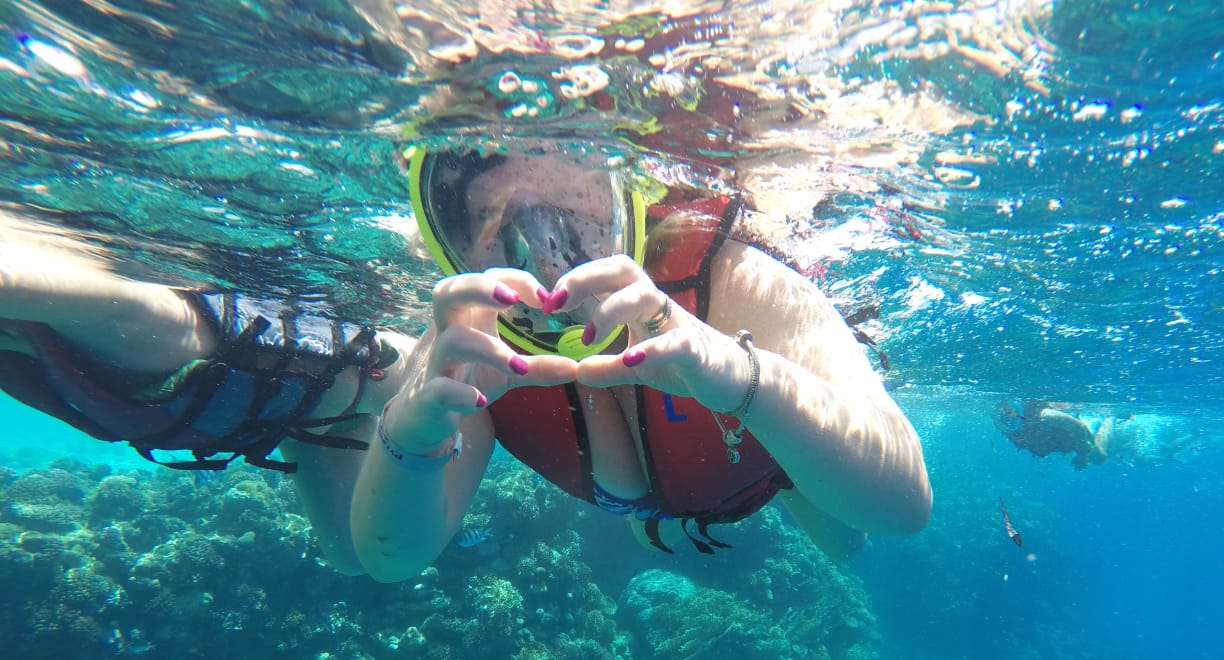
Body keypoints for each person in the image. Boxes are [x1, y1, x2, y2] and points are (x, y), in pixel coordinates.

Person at [1, 149, 931, 581]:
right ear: (450, 249)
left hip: (760, 461)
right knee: (349, 526)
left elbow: (904, 507)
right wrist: (407, 437)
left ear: (624, 186)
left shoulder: (731, 281)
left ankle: (305, 382)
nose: (537, 238)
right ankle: (327, 390)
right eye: (484, 216)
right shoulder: (475, 344)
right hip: (674, 465)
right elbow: (395, 558)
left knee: (842, 534)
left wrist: (742, 377)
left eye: (561, 173)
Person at [998, 400, 1113, 470]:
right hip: (1054, 440)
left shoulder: (1046, 415)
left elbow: (1079, 427)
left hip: (1071, 436)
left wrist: (1082, 454)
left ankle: (1109, 420)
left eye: (1010, 415)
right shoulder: (1000, 418)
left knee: (1099, 458)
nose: (1007, 418)